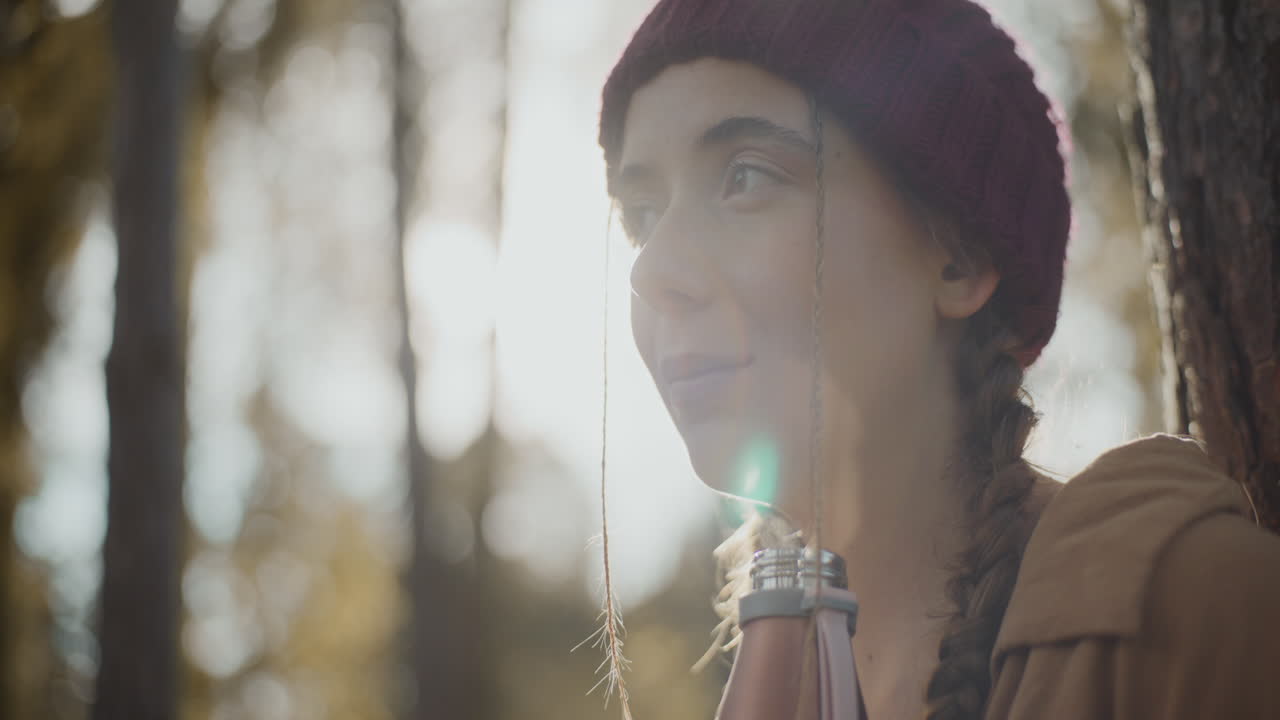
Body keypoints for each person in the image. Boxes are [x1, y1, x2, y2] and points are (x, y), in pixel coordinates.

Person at [595, 0, 1280, 718]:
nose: (652, 268)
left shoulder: (1205, 616)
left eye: (745, 176)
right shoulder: (771, 686)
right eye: (642, 216)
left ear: (959, 255)